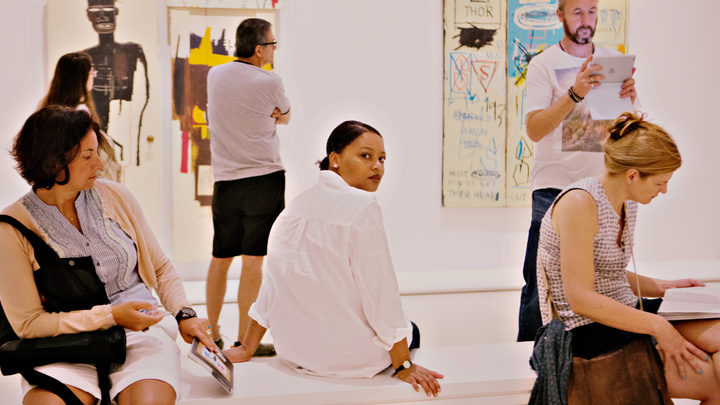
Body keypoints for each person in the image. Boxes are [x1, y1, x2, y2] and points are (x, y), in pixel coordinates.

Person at [0, 106, 218, 405]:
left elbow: (160, 267)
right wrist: (110, 316)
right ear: (52, 163)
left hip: (141, 331)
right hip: (63, 345)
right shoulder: (12, 228)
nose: (100, 165)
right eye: (87, 156)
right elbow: (29, 324)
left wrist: (184, 314)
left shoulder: (115, 196)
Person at [224, 121, 443, 397]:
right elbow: (381, 293)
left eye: (382, 159)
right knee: (413, 330)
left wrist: (247, 347)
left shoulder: (294, 208)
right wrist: (404, 365)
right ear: (335, 159)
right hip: (350, 359)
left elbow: (272, 286)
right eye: (366, 155)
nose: (377, 166)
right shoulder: (363, 206)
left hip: (295, 353)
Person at [538, 112, 720, 402]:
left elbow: (607, 272)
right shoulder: (579, 203)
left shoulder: (627, 202)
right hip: (588, 329)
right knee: (712, 383)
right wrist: (660, 328)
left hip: (626, 309)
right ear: (632, 176)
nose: (664, 190)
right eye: (660, 183)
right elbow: (580, 298)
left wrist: (665, 287)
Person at [517, 0, 639, 341]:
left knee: (600, 277)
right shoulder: (543, 64)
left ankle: (584, 355)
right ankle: (532, 356)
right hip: (554, 188)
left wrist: (631, 100)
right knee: (539, 282)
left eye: (592, 11)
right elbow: (535, 129)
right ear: (560, 15)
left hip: (603, 190)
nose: (586, 20)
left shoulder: (612, 61)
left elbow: (631, 131)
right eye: (577, 12)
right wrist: (575, 92)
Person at [204, 18, 290, 354]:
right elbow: (286, 115)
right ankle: (244, 341)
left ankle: (211, 333)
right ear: (258, 49)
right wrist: (274, 115)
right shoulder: (270, 80)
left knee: (220, 258)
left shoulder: (215, 75)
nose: (274, 49)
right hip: (264, 180)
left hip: (226, 181)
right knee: (253, 261)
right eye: (272, 44)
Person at [83, 0, 149, 166]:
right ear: (89, 15)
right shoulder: (84, 57)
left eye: (108, 10)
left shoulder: (133, 51)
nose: (103, 16)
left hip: (123, 129)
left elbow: (141, 97)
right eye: (96, 11)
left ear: (116, 12)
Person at [40, 51, 121, 182]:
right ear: (83, 78)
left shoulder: (45, 107)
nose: (93, 76)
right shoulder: (80, 115)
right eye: (92, 73)